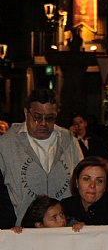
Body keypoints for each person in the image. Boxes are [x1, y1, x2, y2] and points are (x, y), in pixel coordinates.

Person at [0, 89, 83, 225]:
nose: (43, 123)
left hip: (64, 229)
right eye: (37, 117)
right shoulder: (6, 144)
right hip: (23, 231)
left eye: (50, 118)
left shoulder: (69, 141)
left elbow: (81, 182)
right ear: (26, 112)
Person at [61, 156, 108, 225]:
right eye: (86, 179)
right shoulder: (65, 208)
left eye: (99, 181)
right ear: (77, 182)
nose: (92, 185)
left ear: (106, 186)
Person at [11, 195, 83, 232]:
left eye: (62, 214)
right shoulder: (29, 235)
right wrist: (16, 232)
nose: (62, 220)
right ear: (39, 225)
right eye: (54, 218)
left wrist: (81, 227)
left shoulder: (70, 226)